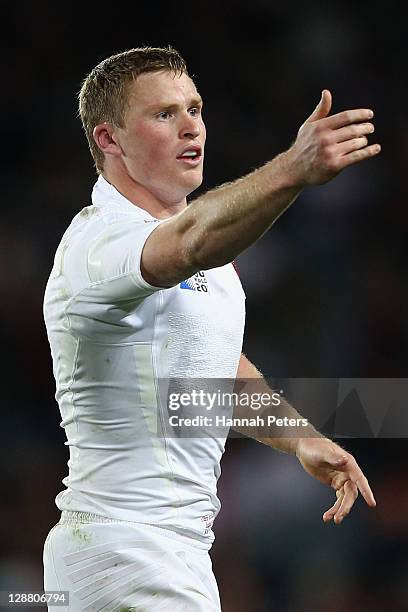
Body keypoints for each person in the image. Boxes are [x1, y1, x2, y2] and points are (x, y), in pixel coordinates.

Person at [43, 46, 379, 611]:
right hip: (125, 549)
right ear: (109, 139)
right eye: (163, 114)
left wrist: (302, 439)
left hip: (168, 553)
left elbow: (211, 375)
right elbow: (190, 242)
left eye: (194, 108)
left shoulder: (209, 261)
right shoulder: (98, 243)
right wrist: (292, 169)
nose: (190, 126)